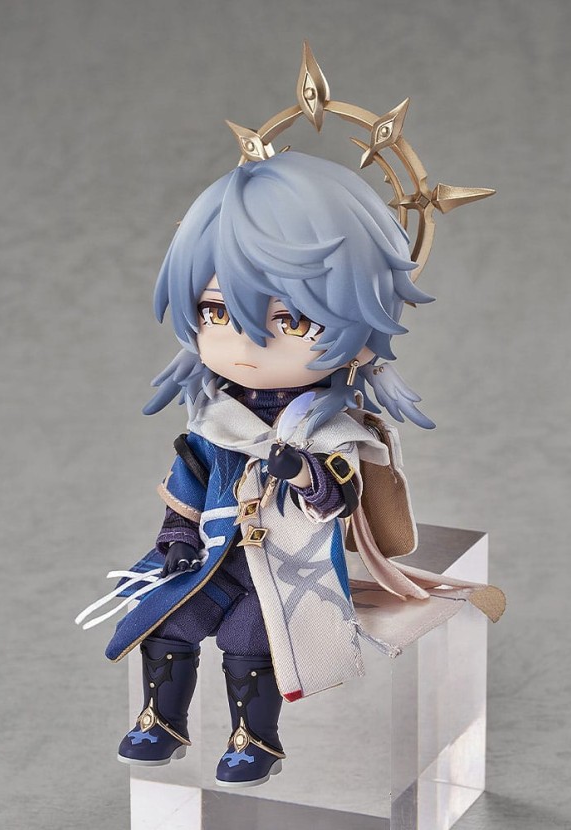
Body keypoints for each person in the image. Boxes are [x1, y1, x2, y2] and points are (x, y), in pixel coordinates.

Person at [77, 151, 502, 788]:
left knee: (252, 639)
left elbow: (340, 500)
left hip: (288, 571)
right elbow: (190, 485)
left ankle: (256, 739)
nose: (247, 343)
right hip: (217, 559)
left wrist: (301, 472)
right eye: (217, 312)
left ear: (362, 324)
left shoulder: (332, 429)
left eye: (291, 319)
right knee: (168, 618)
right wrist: (176, 540)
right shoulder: (218, 421)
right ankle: (161, 721)